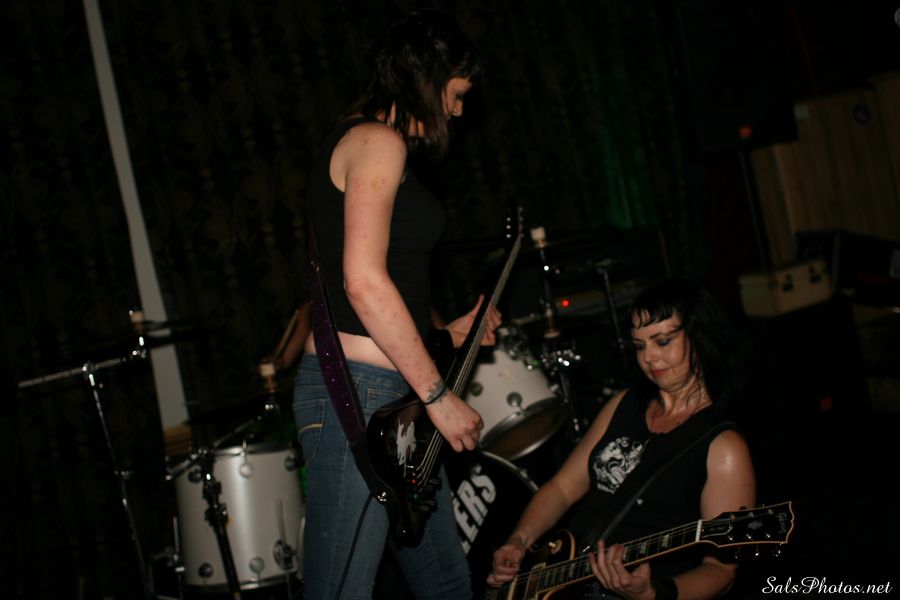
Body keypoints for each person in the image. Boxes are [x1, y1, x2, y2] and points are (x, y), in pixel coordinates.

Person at [293, 9, 500, 600]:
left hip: (389, 396)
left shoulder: (361, 138)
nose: (457, 111)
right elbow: (362, 282)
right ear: (428, 77)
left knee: (446, 584)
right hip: (362, 396)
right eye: (456, 94)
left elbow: (382, 286)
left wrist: (447, 335)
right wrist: (438, 396)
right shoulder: (377, 141)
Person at [487, 277, 756, 600]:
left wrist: (651, 594)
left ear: (699, 337)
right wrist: (518, 541)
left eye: (663, 341)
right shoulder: (624, 404)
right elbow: (563, 487)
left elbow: (722, 571)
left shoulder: (723, 447)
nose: (649, 358)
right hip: (566, 572)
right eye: (639, 346)